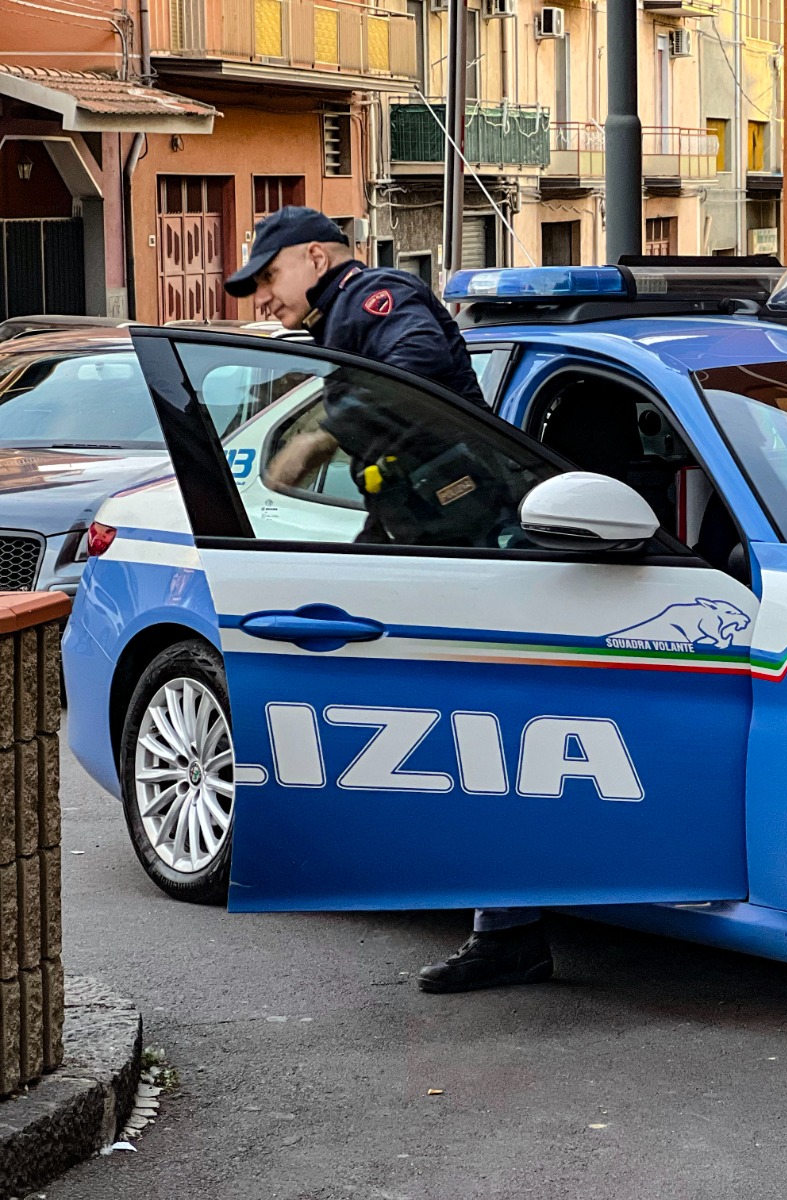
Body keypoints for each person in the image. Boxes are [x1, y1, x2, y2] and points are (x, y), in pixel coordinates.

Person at [223, 206, 554, 995]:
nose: (263, 300)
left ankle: (509, 930)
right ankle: (442, 896)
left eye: (269, 279)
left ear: (314, 257)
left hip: (468, 548)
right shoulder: (338, 324)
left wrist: (319, 434)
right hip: (420, 538)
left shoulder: (379, 299)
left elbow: (410, 377)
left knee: (478, 741)